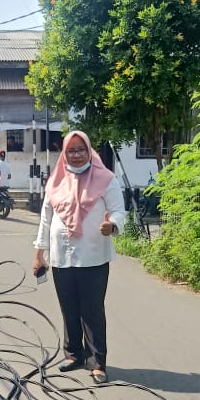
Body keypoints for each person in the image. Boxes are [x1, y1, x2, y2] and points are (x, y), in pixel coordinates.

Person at [32, 130, 125, 385]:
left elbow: (118, 211)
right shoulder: (55, 180)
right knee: (69, 308)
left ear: (88, 150)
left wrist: (112, 226)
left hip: (93, 256)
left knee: (92, 310)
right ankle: (74, 354)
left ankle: (97, 362)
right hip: (61, 256)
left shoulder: (106, 179)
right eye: (71, 150)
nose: (75, 155)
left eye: (80, 150)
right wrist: (39, 254)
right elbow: (45, 219)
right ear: (65, 152)